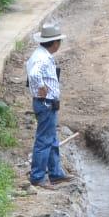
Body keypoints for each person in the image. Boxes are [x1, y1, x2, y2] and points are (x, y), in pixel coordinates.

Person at [26, 22, 73, 189]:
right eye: (59, 41)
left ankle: (55, 173)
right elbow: (33, 74)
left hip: (48, 104)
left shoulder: (41, 55)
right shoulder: (42, 58)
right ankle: (38, 176)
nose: (59, 45)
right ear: (54, 43)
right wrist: (41, 86)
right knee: (44, 141)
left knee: (52, 139)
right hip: (44, 104)